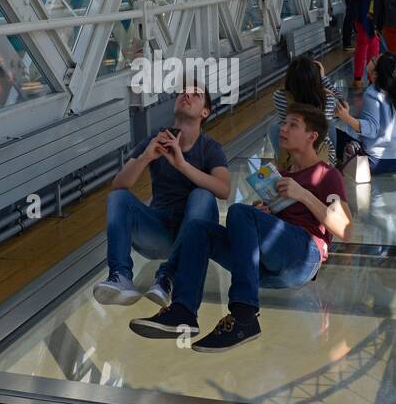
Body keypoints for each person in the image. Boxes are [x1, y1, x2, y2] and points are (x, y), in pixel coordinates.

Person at [129, 105, 352, 351]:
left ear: (312, 136)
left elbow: (345, 229)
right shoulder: (283, 175)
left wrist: (304, 195)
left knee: (238, 212)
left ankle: (243, 315)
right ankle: (183, 310)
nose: (283, 129)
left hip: (305, 255)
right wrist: (266, 213)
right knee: (199, 230)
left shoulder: (326, 174)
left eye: (292, 125)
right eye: (284, 123)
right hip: (270, 267)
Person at [93, 87, 230, 308]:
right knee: (118, 197)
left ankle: (168, 276)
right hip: (158, 230)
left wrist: (182, 165)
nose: (186, 95)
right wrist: (146, 157)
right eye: (183, 92)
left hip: (192, 233)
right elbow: (119, 184)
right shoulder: (155, 139)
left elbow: (223, 189)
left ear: (205, 112)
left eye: (196, 95)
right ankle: (121, 276)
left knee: (202, 195)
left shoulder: (211, 148)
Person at [334, 51, 396, 181]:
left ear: (375, 75)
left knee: (333, 133)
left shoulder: (373, 94)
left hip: (374, 162)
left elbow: (371, 130)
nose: (371, 58)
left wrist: (345, 117)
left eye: (373, 60)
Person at [271, 55, 338, 166]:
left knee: (274, 128)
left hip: (292, 157)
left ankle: (282, 163)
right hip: (321, 156)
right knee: (329, 125)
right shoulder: (328, 99)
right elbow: (341, 100)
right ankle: (334, 164)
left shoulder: (279, 97)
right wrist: (324, 79)